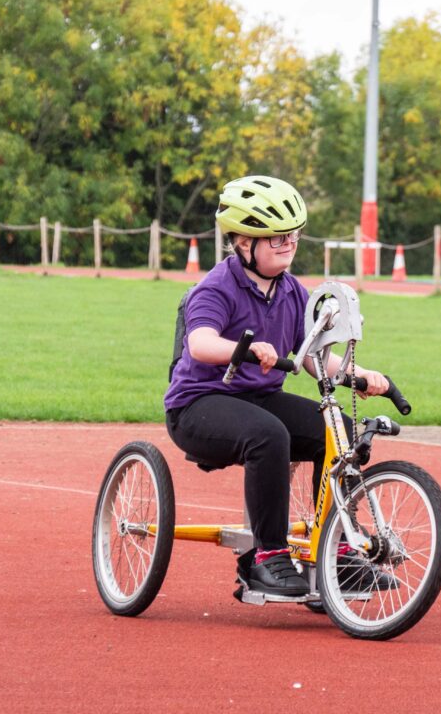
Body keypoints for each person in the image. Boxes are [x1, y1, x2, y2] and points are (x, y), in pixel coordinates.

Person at [164, 175, 389, 597]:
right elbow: (200, 343)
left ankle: (336, 550)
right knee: (269, 435)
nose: (288, 245)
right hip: (199, 405)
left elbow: (313, 355)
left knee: (335, 426)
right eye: (277, 239)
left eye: (293, 238)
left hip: (260, 398)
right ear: (243, 242)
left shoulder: (292, 293)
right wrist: (246, 351)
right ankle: (265, 557)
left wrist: (359, 375)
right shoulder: (215, 287)